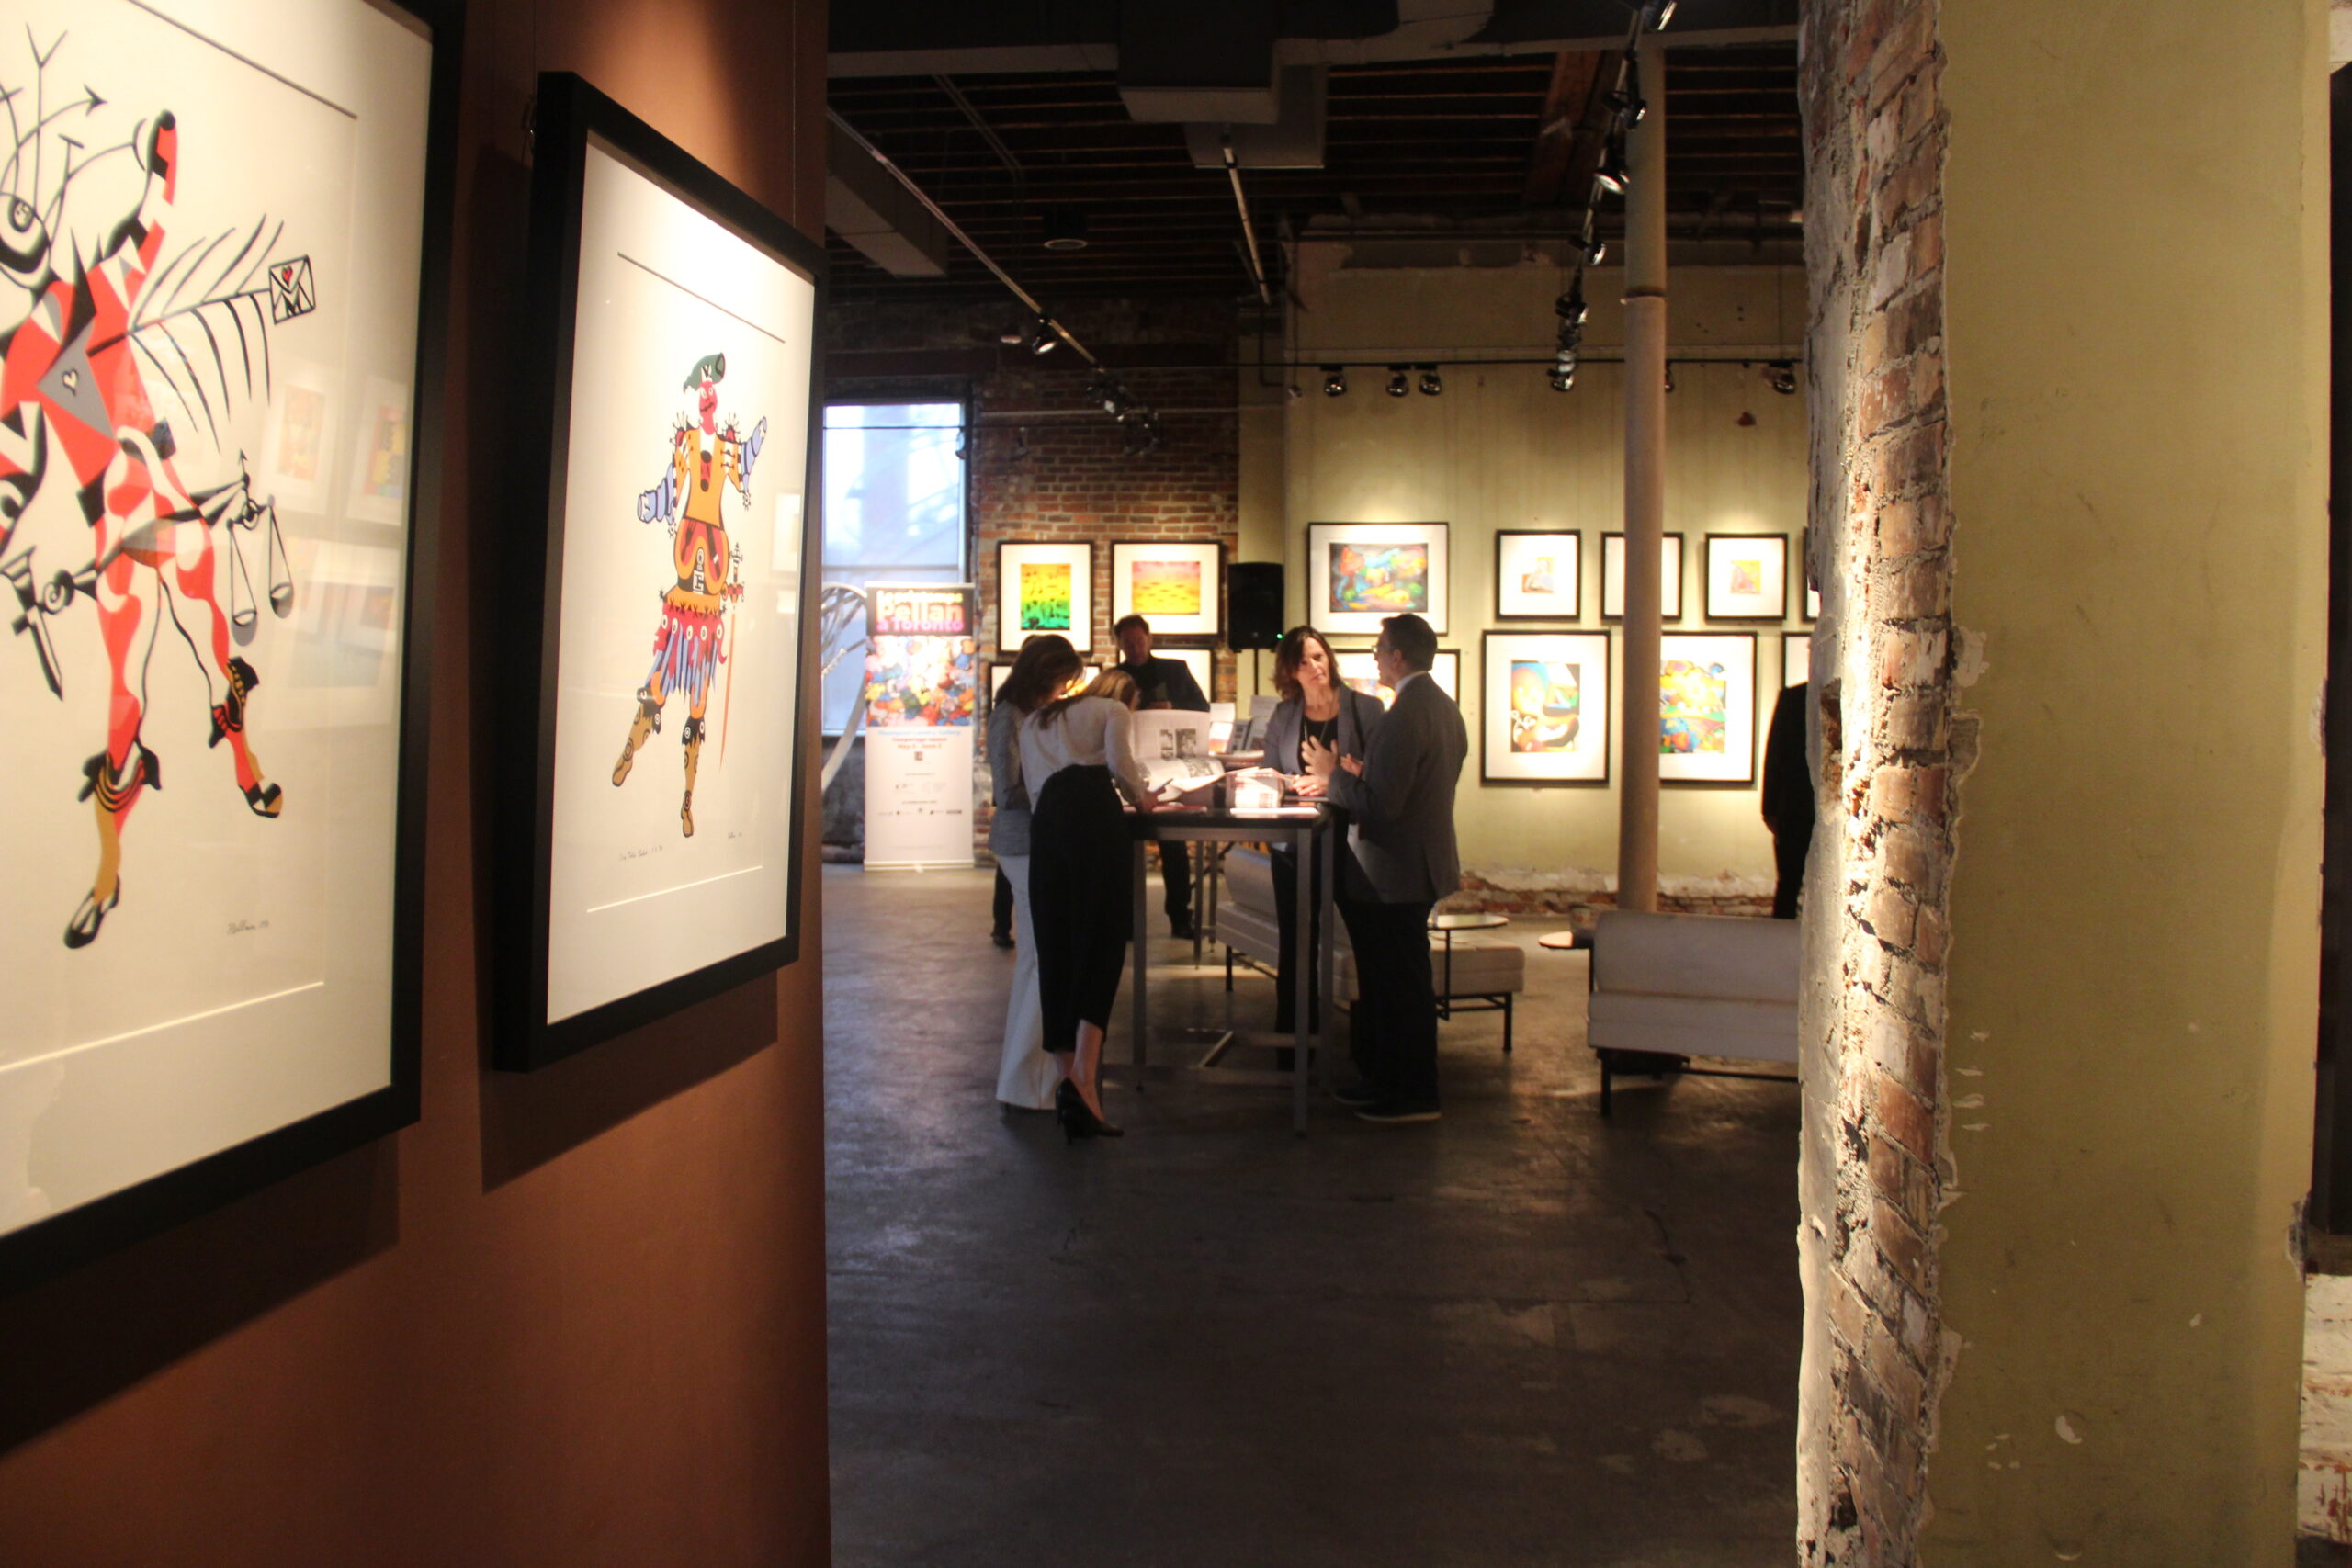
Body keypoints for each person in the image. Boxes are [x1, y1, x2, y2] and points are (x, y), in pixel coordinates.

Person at [1302, 613, 1466, 1124]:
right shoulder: (1442, 707)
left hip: (1394, 872)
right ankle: (1385, 1081)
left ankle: (1411, 1092)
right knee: (1397, 982)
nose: (1375, 657)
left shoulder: (1404, 715)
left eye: (1379, 648)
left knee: (1398, 987)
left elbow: (1382, 805)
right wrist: (1362, 772)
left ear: (1398, 656)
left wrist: (1333, 775)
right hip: (1416, 866)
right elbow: (1411, 786)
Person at [1021, 656, 1160, 1141]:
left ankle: (1071, 1082)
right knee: (1101, 941)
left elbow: (1033, 785)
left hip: (1047, 824)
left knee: (1056, 946)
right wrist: (1144, 798)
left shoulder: (1040, 717)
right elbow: (1122, 769)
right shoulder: (1113, 711)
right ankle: (1084, 1081)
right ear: (1127, 697)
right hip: (1093, 819)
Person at [1258, 626, 1384, 1034]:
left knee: (1367, 938)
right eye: (1303, 661)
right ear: (1289, 672)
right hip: (1295, 843)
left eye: (1318, 656)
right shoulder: (1285, 714)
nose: (1314, 666)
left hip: (1352, 841)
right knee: (1296, 942)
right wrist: (1294, 782)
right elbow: (1269, 771)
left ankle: (1370, 1040)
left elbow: (1381, 776)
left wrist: (1333, 781)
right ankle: (1295, 1040)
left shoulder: (1365, 709)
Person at [989, 637, 1083, 1111]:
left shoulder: (1034, 713)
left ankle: (1033, 1081)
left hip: (1040, 841)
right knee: (1041, 960)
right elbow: (1007, 791)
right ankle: (1029, 1084)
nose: (1064, 689)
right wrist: (1062, 789)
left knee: (1041, 958)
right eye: (1063, 679)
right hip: (1022, 843)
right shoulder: (1010, 714)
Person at [1113, 614, 1208, 939]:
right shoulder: (1116, 677)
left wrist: (1173, 705)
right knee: (1125, 851)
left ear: (1149, 639)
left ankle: (1180, 917)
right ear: (1119, 644)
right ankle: (1126, 921)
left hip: (1170, 766)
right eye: (1128, 643)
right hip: (1130, 767)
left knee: (1174, 848)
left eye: (1139, 641)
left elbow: (1202, 706)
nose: (1135, 648)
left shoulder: (1175, 670)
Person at [1762, 680, 1815, 919]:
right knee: (1789, 882)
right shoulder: (1793, 698)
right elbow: (1775, 756)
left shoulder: (1793, 699)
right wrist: (1770, 809)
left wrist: (1770, 808)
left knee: (1789, 883)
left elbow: (1774, 755)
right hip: (1795, 807)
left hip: (1795, 805)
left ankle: (1780, 931)